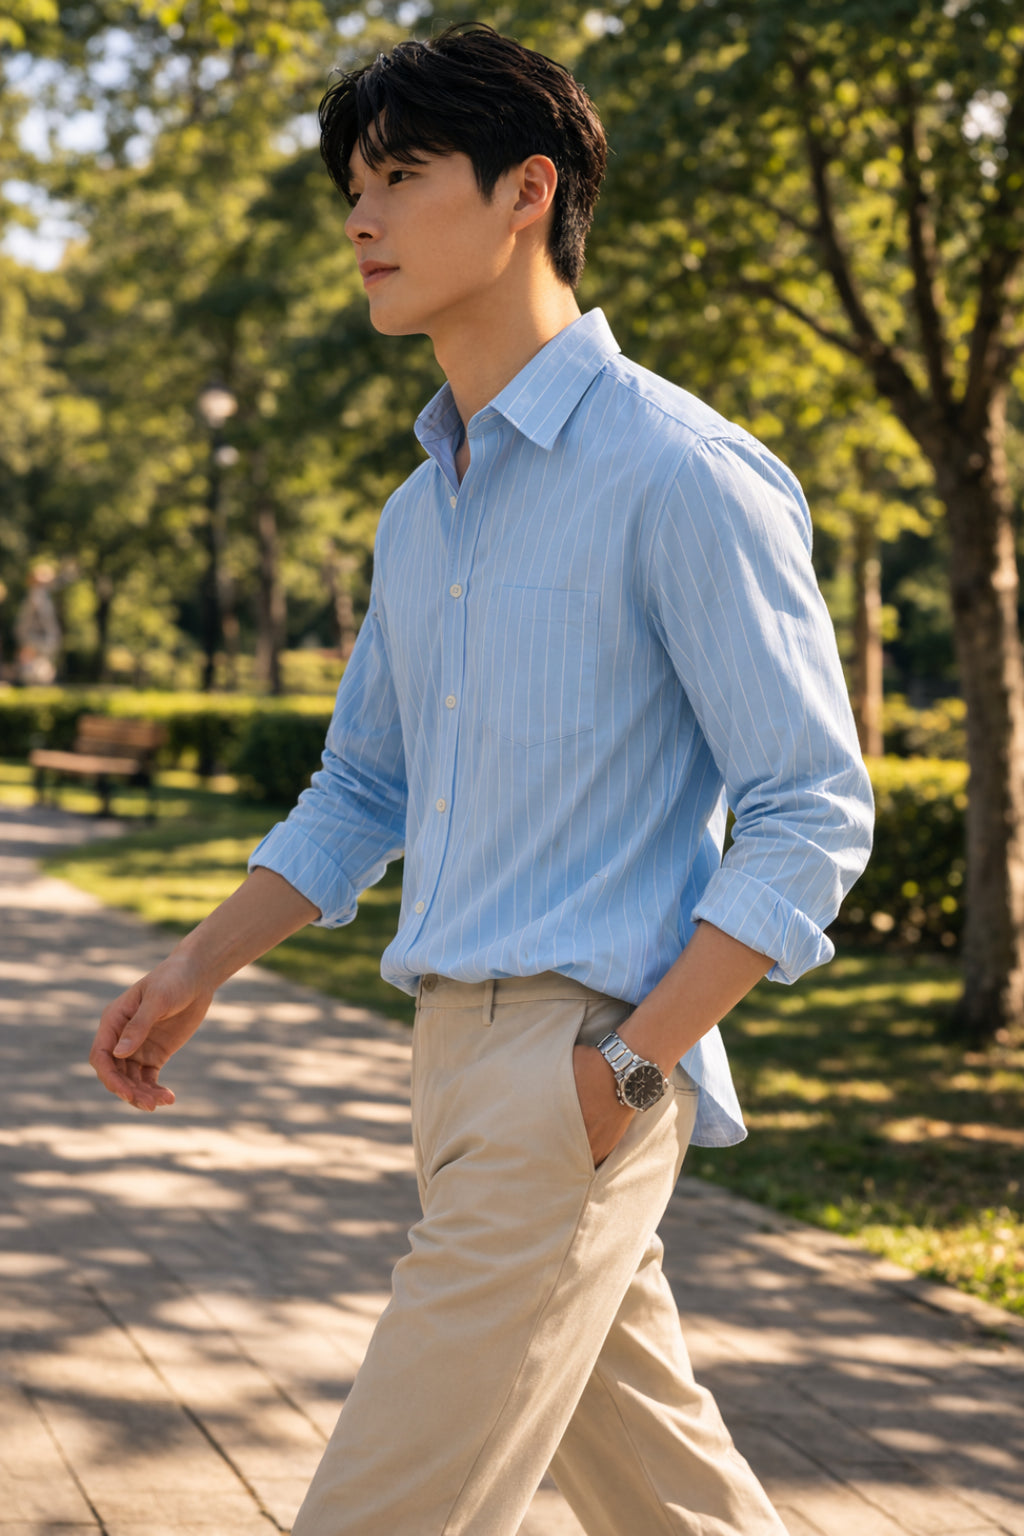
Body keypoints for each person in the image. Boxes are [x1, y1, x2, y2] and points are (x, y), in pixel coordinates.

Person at [90, 23, 873, 1536]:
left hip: (578, 1068)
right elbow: (364, 787)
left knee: (378, 1513)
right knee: (672, 1502)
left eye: (397, 177)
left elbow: (809, 808)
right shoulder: (417, 513)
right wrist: (198, 965)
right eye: (350, 187)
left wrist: (628, 1070)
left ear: (528, 190)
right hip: (453, 1064)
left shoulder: (681, 472)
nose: (359, 220)